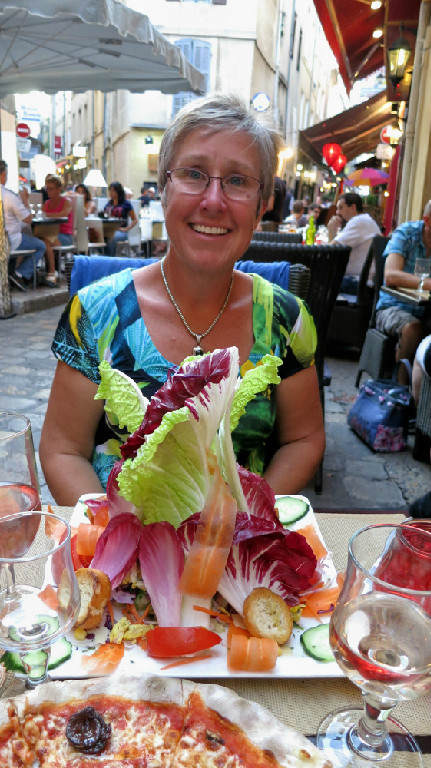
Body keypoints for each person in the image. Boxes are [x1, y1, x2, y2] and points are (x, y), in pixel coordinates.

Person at [40, 94, 324, 506]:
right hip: (118, 537)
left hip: (238, 539)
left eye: (238, 181)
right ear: (163, 189)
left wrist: (248, 521)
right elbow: (62, 450)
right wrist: (116, 532)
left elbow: (304, 439)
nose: (214, 201)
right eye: (193, 174)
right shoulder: (95, 312)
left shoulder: (287, 319)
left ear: (262, 207)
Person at [375, 201, 431, 378]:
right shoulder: (407, 233)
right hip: (392, 307)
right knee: (413, 328)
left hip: (425, 310)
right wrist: (427, 283)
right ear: (427, 221)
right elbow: (391, 275)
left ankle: (423, 389)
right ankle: (400, 385)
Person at [0, 159, 46, 290]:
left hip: (5, 241)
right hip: (11, 240)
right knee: (41, 245)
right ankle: (20, 274)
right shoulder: (9, 196)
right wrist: (26, 201)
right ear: (3, 175)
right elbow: (28, 219)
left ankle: (9, 275)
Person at [327, 192, 381, 294]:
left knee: (317, 280)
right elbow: (335, 251)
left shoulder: (358, 221)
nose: (337, 212)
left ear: (353, 207)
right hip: (364, 281)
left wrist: (331, 229)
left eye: (341, 208)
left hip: (359, 283)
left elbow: (330, 250)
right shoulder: (364, 220)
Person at [39, 175, 73, 286]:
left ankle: (52, 273)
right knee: (41, 240)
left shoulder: (67, 202)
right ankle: (51, 273)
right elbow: (40, 215)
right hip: (49, 234)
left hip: (65, 236)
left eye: (51, 188)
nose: (48, 191)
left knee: (45, 241)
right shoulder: (46, 204)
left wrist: (46, 215)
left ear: (59, 189)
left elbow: (62, 215)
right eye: (47, 188)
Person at [103, 181, 137, 256]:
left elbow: (135, 220)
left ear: (118, 192)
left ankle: (109, 257)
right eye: (110, 191)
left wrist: (126, 229)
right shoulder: (109, 204)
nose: (111, 193)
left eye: (113, 191)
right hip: (109, 229)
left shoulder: (126, 204)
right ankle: (104, 255)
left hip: (121, 231)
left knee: (113, 237)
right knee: (99, 236)